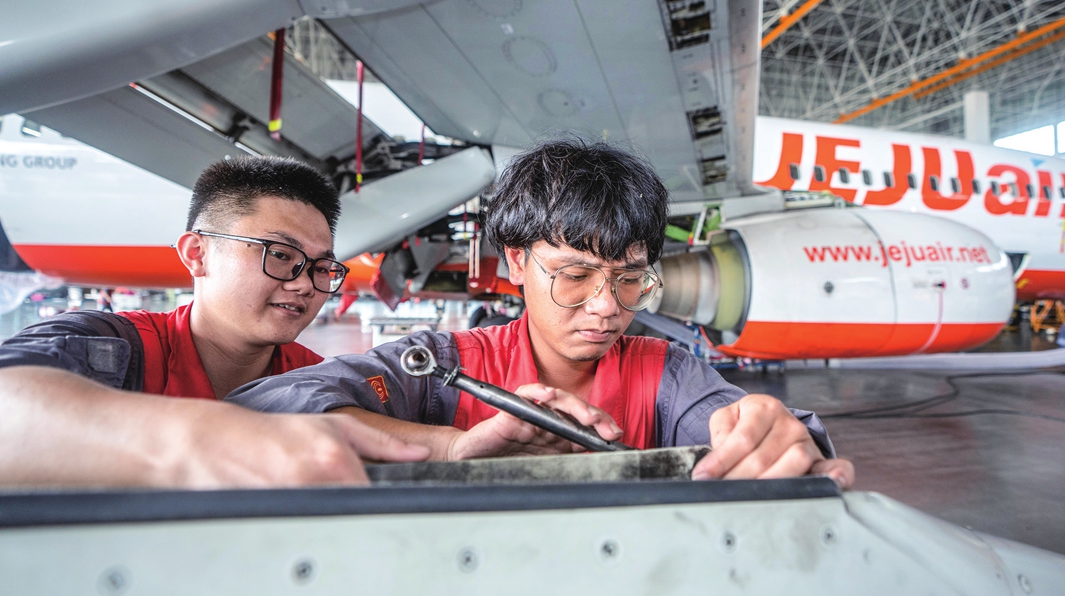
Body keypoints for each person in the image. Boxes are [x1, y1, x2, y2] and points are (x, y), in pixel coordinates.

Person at [230, 139, 854, 486]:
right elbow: (263, 405)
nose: (608, 308)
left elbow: (726, 420)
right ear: (515, 264)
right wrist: (454, 447)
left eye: (631, 279)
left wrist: (766, 434)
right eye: (575, 276)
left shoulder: (668, 374)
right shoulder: (442, 364)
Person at [0, 157, 429, 488]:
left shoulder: (321, 379)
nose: (305, 285)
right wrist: (202, 439)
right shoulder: (112, 348)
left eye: (321, 267)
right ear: (196, 253)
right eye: (280, 255)